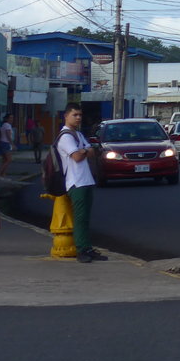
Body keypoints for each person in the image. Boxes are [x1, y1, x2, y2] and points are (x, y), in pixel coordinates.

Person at [57, 103, 107, 263]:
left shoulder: (77, 134)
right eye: (75, 115)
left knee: (85, 218)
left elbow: (91, 152)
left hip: (85, 180)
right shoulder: (65, 137)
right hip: (75, 182)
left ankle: (87, 248)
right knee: (79, 218)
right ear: (66, 116)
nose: (78, 118)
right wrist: (85, 150)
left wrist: (84, 150)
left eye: (80, 115)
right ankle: (81, 250)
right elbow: (78, 156)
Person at [0, 113, 14, 178]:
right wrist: (12, 144)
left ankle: (3, 174)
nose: (12, 119)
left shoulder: (4, 125)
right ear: (7, 118)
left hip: (2, 143)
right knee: (9, 159)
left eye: (12, 118)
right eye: (10, 118)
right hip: (5, 143)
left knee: (4, 160)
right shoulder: (7, 125)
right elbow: (8, 135)